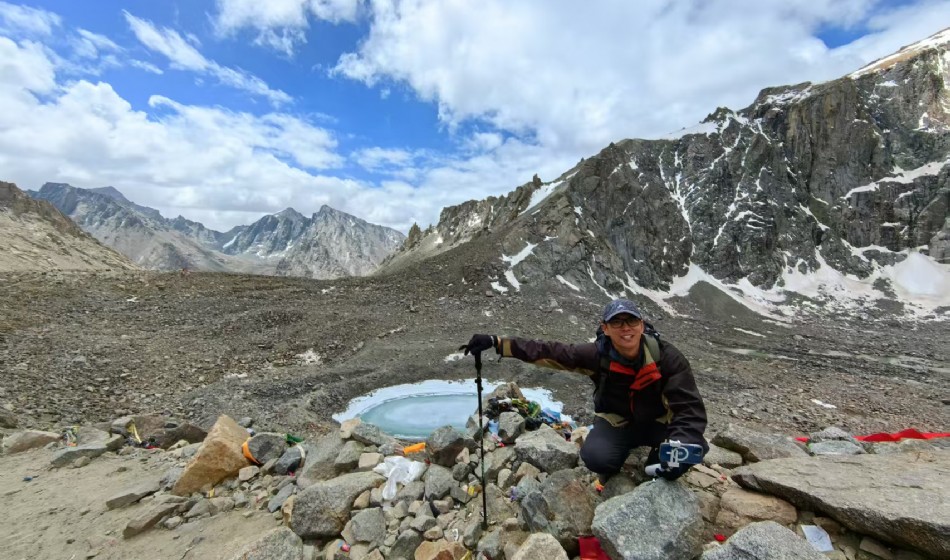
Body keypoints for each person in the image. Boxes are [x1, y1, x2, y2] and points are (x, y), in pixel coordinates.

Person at [462, 298, 708, 483]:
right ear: (606, 328)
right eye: (617, 322)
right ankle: (627, 460)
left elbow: (689, 410)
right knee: (597, 458)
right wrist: (498, 343)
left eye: (632, 321)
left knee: (690, 449)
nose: (626, 328)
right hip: (617, 422)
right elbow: (548, 351)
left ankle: (658, 461)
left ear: (641, 325)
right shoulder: (596, 355)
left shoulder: (667, 357)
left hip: (657, 423)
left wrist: (682, 443)